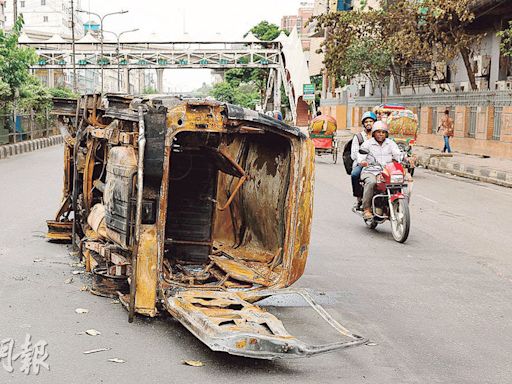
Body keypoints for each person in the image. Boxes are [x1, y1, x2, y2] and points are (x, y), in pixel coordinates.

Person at [358, 121, 402, 220]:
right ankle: (367, 209)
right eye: (378, 132)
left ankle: (397, 205)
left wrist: (405, 159)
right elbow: (360, 156)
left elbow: (397, 154)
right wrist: (363, 161)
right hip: (370, 171)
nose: (381, 134)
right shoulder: (368, 144)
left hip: (387, 171)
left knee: (400, 182)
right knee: (371, 182)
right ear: (374, 133)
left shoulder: (391, 143)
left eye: (383, 132)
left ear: (386, 133)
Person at [351, 111, 377, 209]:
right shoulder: (358, 137)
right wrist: (362, 161)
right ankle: (358, 198)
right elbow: (354, 154)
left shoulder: (378, 135)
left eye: (371, 121)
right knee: (355, 175)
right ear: (363, 124)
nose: (369, 123)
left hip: (377, 164)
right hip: (362, 164)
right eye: (366, 122)